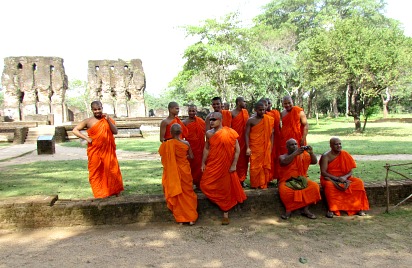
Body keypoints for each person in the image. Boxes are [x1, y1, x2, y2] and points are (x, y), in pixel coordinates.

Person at [200, 112, 247, 225]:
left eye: (214, 120)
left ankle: (225, 213)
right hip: (213, 163)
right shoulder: (209, 134)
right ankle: (219, 203)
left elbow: (237, 150)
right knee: (205, 184)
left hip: (226, 164)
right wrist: (203, 163)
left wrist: (234, 164)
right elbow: (206, 148)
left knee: (225, 187)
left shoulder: (230, 132)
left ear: (220, 120)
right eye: (210, 120)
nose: (211, 122)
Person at [72, 101, 124, 198]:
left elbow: (115, 131)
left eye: (99, 109)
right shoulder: (88, 121)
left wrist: (108, 120)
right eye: (95, 109)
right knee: (96, 171)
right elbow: (75, 130)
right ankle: (100, 193)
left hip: (108, 150)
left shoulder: (107, 119)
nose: (97, 111)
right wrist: (87, 138)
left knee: (112, 170)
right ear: (92, 110)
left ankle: (114, 191)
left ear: (102, 108)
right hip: (95, 150)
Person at [158, 123, 198, 225]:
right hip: (185, 170)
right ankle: (191, 218)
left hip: (173, 172)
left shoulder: (167, 144)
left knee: (178, 193)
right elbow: (192, 157)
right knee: (188, 192)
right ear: (181, 132)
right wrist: (184, 156)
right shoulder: (186, 143)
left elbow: (164, 157)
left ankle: (181, 219)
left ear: (170, 133)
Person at [320, 137, 370, 218]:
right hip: (330, 178)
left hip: (344, 178)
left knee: (359, 183)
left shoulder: (345, 154)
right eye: (336, 144)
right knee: (329, 186)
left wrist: (344, 177)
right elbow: (323, 172)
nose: (339, 146)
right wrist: (336, 178)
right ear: (331, 145)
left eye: (340, 144)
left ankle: (358, 208)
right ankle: (332, 209)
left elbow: (350, 171)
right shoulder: (326, 156)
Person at [278, 138, 321, 219]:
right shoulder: (282, 156)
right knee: (284, 190)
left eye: (295, 144)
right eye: (291, 145)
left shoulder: (302, 155)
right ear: (287, 147)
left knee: (315, 186)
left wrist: (311, 153)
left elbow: (314, 161)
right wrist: (295, 154)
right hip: (287, 181)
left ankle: (305, 209)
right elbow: (283, 163)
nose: (294, 146)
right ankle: (289, 210)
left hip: (302, 180)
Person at [245, 101, 274, 189]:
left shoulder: (268, 119)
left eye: (264, 110)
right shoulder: (251, 120)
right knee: (254, 166)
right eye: (260, 110)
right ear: (255, 110)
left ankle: (263, 183)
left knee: (264, 165)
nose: (262, 112)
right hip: (255, 146)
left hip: (265, 146)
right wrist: (247, 147)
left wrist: (271, 146)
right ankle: (255, 184)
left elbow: (272, 134)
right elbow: (246, 134)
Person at [183, 105, 206, 189]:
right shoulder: (184, 123)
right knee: (191, 166)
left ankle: (199, 183)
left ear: (196, 112)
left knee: (200, 165)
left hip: (200, 147)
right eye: (190, 111)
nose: (192, 113)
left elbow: (206, 132)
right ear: (187, 111)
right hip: (190, 147)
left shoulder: (201, 121)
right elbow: (182, 137)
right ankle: (191, 182)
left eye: (193, 111)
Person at [230, 97, 250, 187]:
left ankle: (242, 179)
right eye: (244, 101)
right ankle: (235, 179)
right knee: (235, 159)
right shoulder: (232, 113)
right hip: (235, 140)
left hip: (244, 140)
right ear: (238, 102)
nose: (245, 103)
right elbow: (230, 127)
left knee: (244, 160)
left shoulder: (245, 112)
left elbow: (248, 127)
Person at [265, 98, 282, 181]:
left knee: (277, 157)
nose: (268, 105)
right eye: (266, 104)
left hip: (277, 138)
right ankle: (268, 178)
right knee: (269, 157)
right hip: (267, 139)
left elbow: (279, 125)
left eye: (269, 103)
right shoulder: (262, 114)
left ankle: (279, 176)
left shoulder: (276, 113)